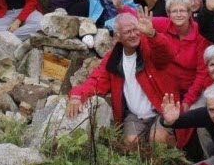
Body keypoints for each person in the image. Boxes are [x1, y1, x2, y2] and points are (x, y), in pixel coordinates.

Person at [68, 11, 189, 149]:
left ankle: (173, 151)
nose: (133, 34)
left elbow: (166, 53)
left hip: (162, 110)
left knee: (158, 139)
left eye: (135, 30)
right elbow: (97, 80)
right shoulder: (113, 58)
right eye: (127, 32)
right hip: (134, 114)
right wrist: (77, 96)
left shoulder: (151, 46)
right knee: (131, 143)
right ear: (117, 36)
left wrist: (152, 34)